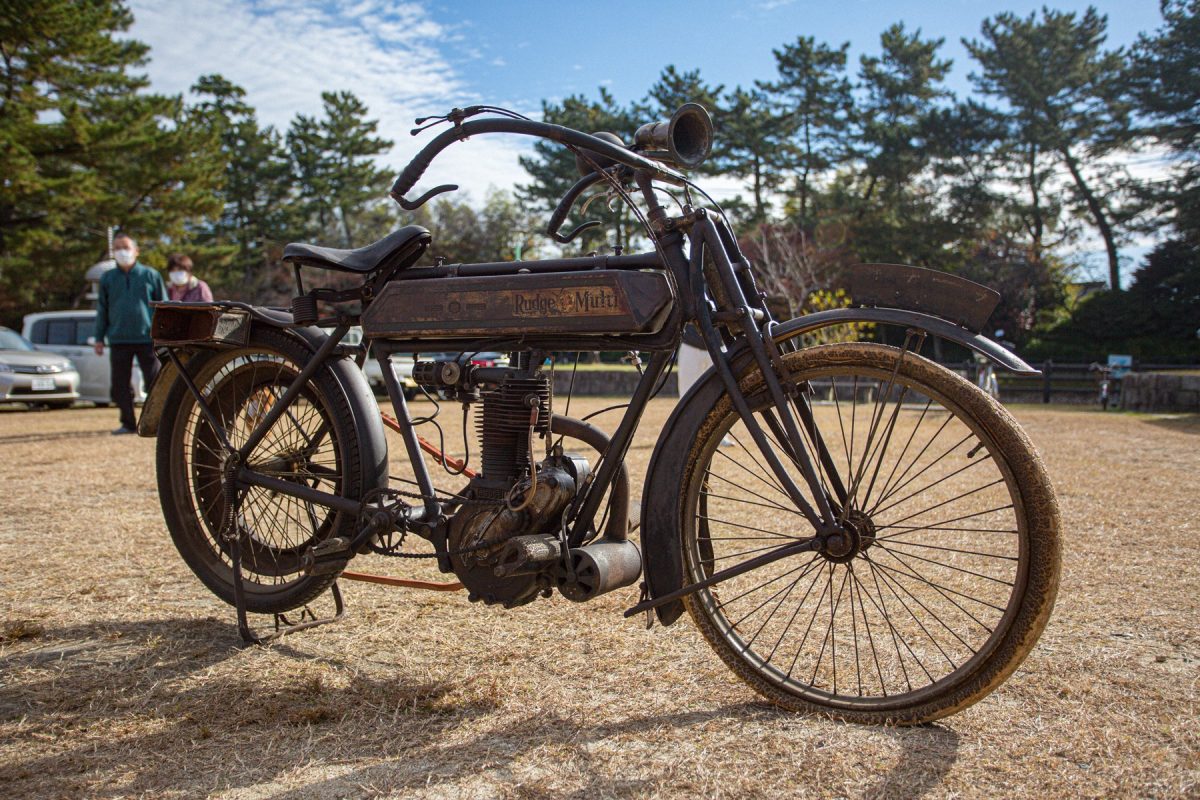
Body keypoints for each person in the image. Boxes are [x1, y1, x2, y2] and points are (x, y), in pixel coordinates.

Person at [94, 233, 167, 435]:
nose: (121, 252)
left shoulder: (150, 275)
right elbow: (102, 309)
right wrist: (99, 338)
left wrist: (165, 334)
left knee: (155, 381)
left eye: (125, 247)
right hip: (118, 338)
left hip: (147, 338)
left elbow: (164, 306)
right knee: (120, 383)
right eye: (117, 248)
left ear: (136, 250)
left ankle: (159, 421)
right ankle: (127, 422)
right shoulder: (108, 278)